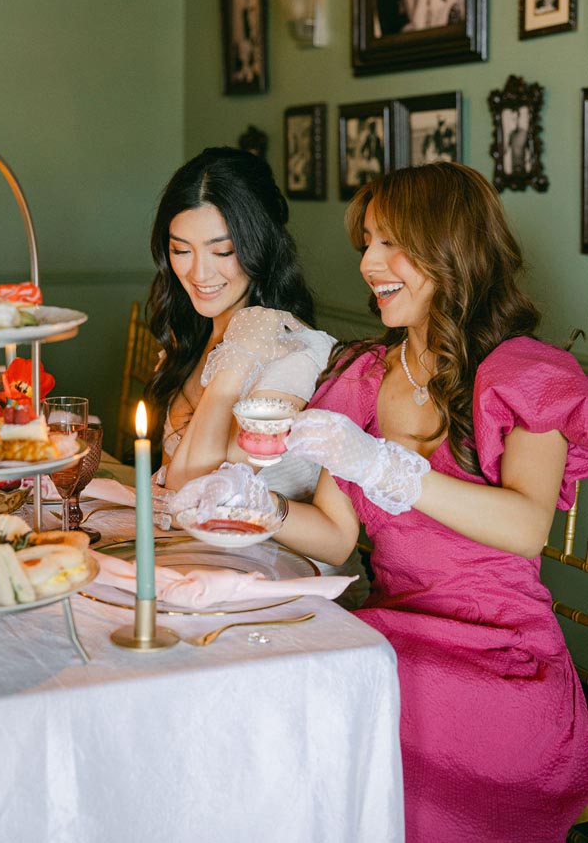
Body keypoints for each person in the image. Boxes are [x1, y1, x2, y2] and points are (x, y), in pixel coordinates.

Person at [173, 162, 588, 841]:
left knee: (314, 716)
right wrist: (258, 506)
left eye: (391, 242)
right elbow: (337, 535)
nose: (369, 263)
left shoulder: (523, 374)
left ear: (452, 247)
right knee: (252, 673)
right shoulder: (366, 376)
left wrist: (384, 466)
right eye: (366, 241)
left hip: (503, 663)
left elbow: (525, 526)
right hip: (394, 635)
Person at [145, 146, 369, 606]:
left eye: (222, 251)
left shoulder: (296, 354)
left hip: (289, 596)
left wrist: (234, 365)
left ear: (258, 245)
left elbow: (193, 487)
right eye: (180, 250)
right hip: (210, 574)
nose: (198, 273)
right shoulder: (191, 340)